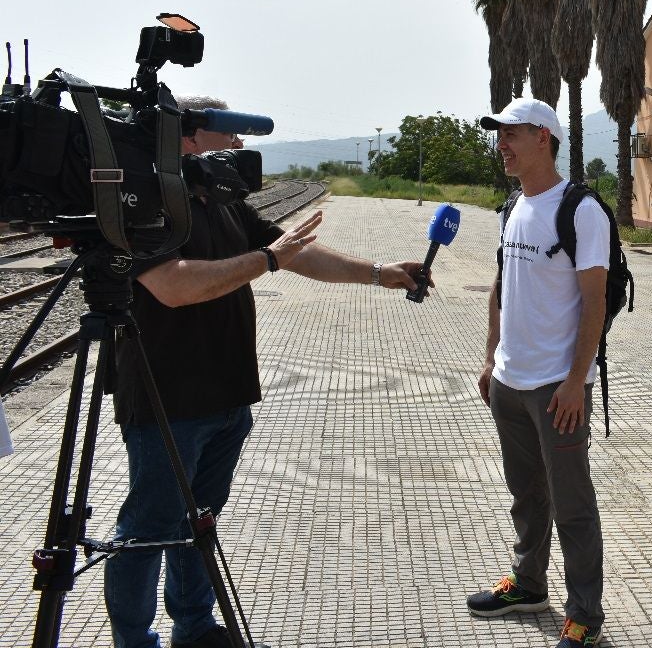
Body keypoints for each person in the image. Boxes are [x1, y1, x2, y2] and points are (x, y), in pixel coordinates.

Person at [105, 96, 428, 648]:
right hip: (167, 401)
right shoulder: (147, 199)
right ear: (187, 136)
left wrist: (380, 273)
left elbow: (295, 253)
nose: (238, 145)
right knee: (148, 530)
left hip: (228, 395)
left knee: (197, 524)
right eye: (228, 133)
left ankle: (195, 627)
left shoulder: (216, 192)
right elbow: (174, 286)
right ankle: (134, 640)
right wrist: (267, 259)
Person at [469, 98, 607, 648]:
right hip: (510, 382)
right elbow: (501, 289)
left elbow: (593, 302)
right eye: (499, 135)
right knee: (525, 492)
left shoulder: (580, 209)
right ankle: (528, 585)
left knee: (572, 503)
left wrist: (576, 380)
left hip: (557, 388)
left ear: (544, 138)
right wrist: (490, 358)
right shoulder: (512, 207)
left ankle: (585, 617)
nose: (501, 144)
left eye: (511, 134)